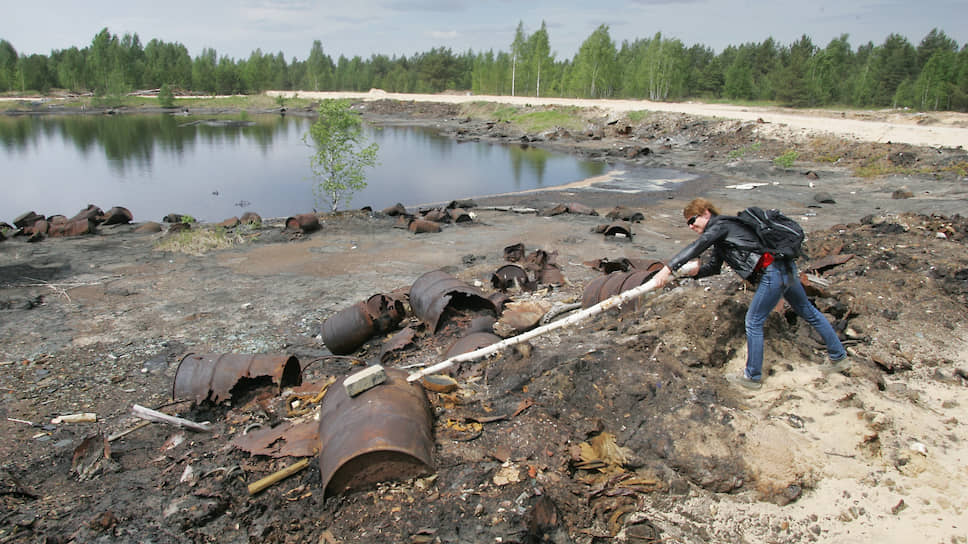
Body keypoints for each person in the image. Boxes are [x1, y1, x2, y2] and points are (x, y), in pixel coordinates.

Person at [651, 198, 849, 390]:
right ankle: (839, 357)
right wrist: (693, 273)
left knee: (753, 321)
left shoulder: (720, 225)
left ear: (705, 213)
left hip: (772, 272)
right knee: (808, 311)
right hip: (785, 268)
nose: (691, 227)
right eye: (688, 224)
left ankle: (752, 377)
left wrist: (667, 269)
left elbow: (697, 246)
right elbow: (713, 267)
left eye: (692, 221)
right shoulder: (723, 235)